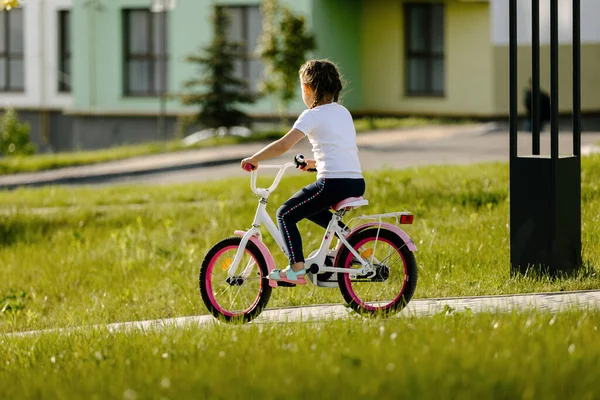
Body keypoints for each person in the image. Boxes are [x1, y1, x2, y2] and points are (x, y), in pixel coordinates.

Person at [240, 59, 365, 285]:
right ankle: (350, 239)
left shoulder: (312, 115)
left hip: (332, 183)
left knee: (285, 213)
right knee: (309, 209)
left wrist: (255, 158)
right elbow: (339, 150)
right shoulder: (343, 112)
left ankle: (296, 269)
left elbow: (283, 145)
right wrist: (315, 163)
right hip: (355, 181)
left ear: (307, 89)